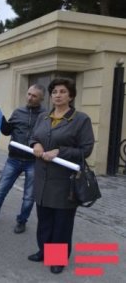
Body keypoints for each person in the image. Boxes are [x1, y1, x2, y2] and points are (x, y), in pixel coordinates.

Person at [28, 78, 94, 274]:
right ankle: (44, 251)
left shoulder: (81, 119)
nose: (57, 95)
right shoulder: (43, 117)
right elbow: (34, 136)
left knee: (61, 222)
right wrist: (35, 144)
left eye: (63, 91)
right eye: (54, 91)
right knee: (44, 218)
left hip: (65, 180)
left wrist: (60, 151)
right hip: (42, 178)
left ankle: (57, 258)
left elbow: (86, 149)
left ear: (71, 96)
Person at [0, 84, 46, 233]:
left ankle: (22, 221)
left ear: (41, 98)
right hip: (13, 159)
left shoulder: (46, 115)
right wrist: (0, 119)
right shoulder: (18, 112)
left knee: (28, 196)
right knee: (0, 191)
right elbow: (7, 131)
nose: (30, 97)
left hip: (33, 162)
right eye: (28, 94)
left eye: (34, 96)